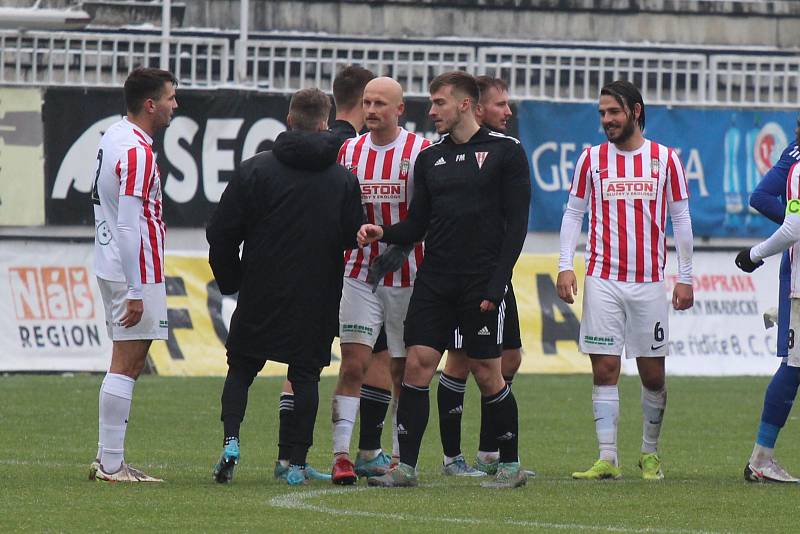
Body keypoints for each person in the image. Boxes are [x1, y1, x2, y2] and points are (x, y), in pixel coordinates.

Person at [360, 71, 532, 489]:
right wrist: (385, 232)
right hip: (435, 277)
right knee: (417, 366)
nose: (431, 110)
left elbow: (516, 228)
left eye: (439, 103)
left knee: (488, 373)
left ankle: (509, 465)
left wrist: (497, 284)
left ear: (465, 105)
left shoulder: (506, 152)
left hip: (481, 281)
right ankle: (407, 468)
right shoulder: (431, 158)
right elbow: (418, 223)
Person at [207, 88, 364, 486]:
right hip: (317, 294)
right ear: (326, 125)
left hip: (262, 289)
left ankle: (231, 440)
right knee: (306, 376)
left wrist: (232, 279)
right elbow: (351, 236)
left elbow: (221, 232)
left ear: (289, 120)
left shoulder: (254, 170)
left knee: (241, 368)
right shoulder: (343, 178)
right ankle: (293, 463)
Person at [557, 80, 694, 481]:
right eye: (601, 114)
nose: (606, 120)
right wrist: (566, 265)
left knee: (653, 375)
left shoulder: (665, 160)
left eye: (613, 112)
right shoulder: (591, 159)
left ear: (635, 111)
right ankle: (607, 457)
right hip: (603, 280)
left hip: (650, 282)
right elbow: (572, 214)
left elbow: (681, 219)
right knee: (604, 370)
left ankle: (649, 454)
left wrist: (685, 278)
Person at [273, 65, 380, 482]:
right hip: (347, 270)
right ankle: (358, 449)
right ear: (362, 99)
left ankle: (290, 456)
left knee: (305, 363)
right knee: (358, 360)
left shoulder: (313, 145)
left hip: (304, 269)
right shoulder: (342, 148)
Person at [330, 77, 430, 484]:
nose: (371, 110)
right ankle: (341, 455)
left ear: (399, 110)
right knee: (353, 362)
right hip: (358, 273)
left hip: (408, 273)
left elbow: (426, 216)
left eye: (380, 104)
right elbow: (338, 208)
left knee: (404, 369)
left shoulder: (420, 152)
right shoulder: (349, 151)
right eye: (367, 103)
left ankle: (401, 458)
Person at [88, 67, 178, 483]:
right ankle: (111, 464)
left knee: (124, 360)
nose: (174, 106)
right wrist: (138, 288)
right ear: (150, 104)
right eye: (170, 98)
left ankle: (109, 459)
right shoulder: (138, 152)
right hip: (133, 268)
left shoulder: (115, 136)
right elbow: (129, 224)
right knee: (129, 362)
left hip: (114, 262)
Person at [436, 75, 525, 477]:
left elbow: (513, 218)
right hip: (464, 275)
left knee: (508, 359)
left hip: (497, 273)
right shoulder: (453, 154)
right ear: (475, 107)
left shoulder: (506, 153)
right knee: (460, 360)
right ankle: (453, 457)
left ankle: (489, 452)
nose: (507, 112)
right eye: (500, 104)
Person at [736, 118, 800, 483]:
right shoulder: (796, 164)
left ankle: (762, 456)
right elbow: (785, 219)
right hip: (797, 278)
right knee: (793, 366)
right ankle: (762, 456)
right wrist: (760, 252)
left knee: (794, 367)